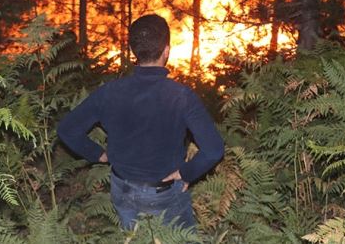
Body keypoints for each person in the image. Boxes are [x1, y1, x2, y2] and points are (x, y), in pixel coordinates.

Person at [57, 14, 224, 230]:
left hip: (121, 189)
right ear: (166, 50)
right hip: (164, 194)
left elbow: (67, 129)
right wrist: (186, 173)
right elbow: (213, 149)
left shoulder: (109, 92)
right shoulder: (181, 96)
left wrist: (99, 154)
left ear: (134, 51)